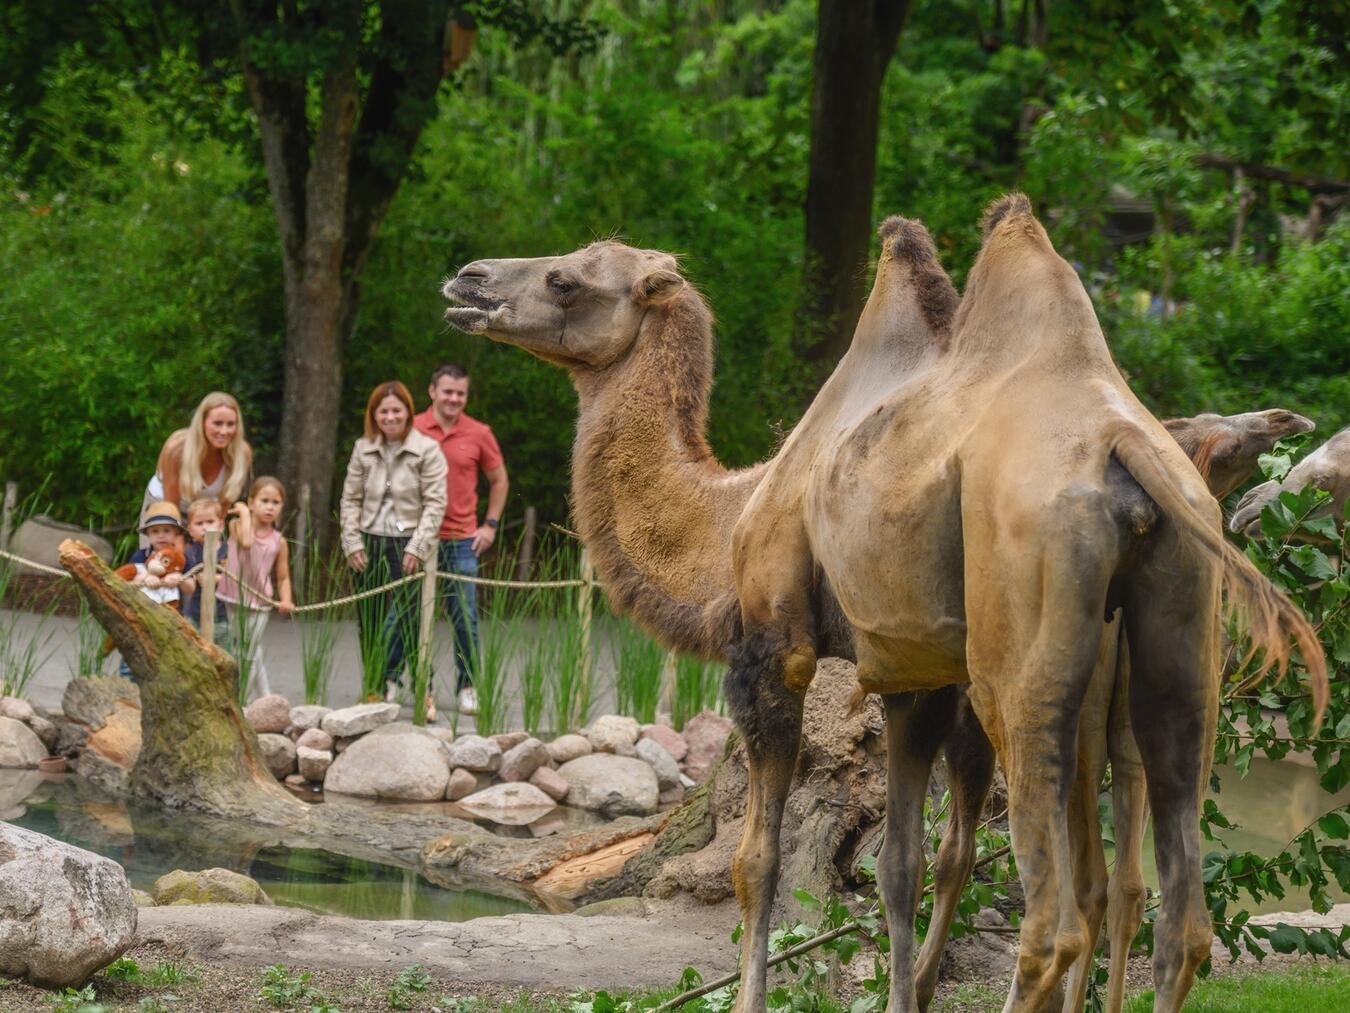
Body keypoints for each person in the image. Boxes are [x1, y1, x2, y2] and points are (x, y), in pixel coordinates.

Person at [340, 381, 447, 714]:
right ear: (374, 415)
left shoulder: (427, 450)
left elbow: (435, 502)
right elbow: (350, 499)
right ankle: (373, 687)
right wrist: (352, 541)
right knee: (369, 618)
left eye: (396, 410)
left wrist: (418, 546)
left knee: (411, 619)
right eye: (383, 411)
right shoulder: (363, 448)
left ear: (407, 412)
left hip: (408, 542)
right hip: (369, 539)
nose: (390, 417)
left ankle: (422, 689)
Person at [414, 363, 508, 716]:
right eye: (447, 391)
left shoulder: (479, 432)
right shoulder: (412, 428)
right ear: (432, 391)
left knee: (464, 616)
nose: (454, 399)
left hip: (461, 540)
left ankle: (467, 686)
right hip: (417, 539)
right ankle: (409, 683)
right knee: (408, 615)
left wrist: (490, 525)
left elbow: (499, 481)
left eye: (460, 393)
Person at [141, 392, 252, 548]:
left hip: (205, 514)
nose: (224, 431)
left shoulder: (242, 453)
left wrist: (214, 535)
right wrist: (179, 547)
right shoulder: (177, 448)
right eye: (217, 423)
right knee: (162, 561)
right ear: (202, 423)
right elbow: (171, 505)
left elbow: (224, 506)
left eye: (230, 424)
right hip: (165, 508)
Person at [217, 476, 294, 699]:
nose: (270, 507)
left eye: (276, 502)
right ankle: (266, 697)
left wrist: (286, 599)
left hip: (260, 602)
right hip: (232, 597)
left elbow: (283, 577)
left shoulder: (279, 541)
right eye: (264, 500)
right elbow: (247, 541)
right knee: (250, 649)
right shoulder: (236, 526)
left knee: (247, 651)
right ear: (252, 502)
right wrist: (243, 513)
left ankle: (241, 701)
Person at [112, 501, 190, 677]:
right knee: (133, 653)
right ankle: (127, 688)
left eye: (166, 531)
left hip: (170, 618)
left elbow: (190, 588)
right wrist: (145, 578)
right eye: (155, 531)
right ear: (148, 534)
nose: (161, 536)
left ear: (176, 533)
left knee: (164, 660)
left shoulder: (180, 558)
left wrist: (179, 579)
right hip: (140, 616)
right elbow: (125, 581)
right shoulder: (141, 555)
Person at [182, 497, 229, 648]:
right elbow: (187, 576)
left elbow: (237, 579)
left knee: (223, 654)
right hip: (195, 614)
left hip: (223, 616)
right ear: (190, 529)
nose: (205, 527)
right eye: (199, 523)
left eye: (210, 522)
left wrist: (215, 578)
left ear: (221, 525)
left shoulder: (228, 551)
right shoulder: (190, 552)